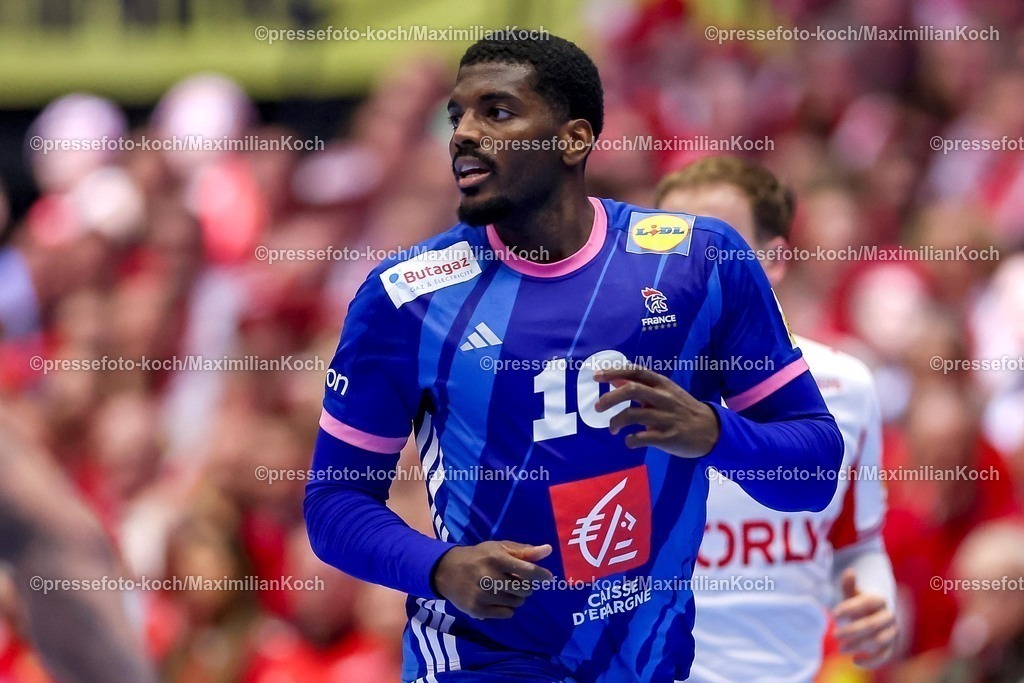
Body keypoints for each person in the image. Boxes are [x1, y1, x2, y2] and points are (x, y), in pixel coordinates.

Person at [304, 34, 843, 683]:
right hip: (480, 664)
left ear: (574, 139)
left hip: (648, 667)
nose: (464, 134)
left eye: (497, 112)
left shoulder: (699, 263)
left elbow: (813, 470)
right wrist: (440, 568)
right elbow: (334, 503)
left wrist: (712, 432)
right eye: (457, 116)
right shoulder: (405, 298)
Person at [655, 156, 897, 682]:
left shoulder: (846, 385)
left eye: (719, 248)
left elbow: (857, 544)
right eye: (670, 246)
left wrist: (875, 600)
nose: (688, 268)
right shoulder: (613, 388)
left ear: (775, 259)